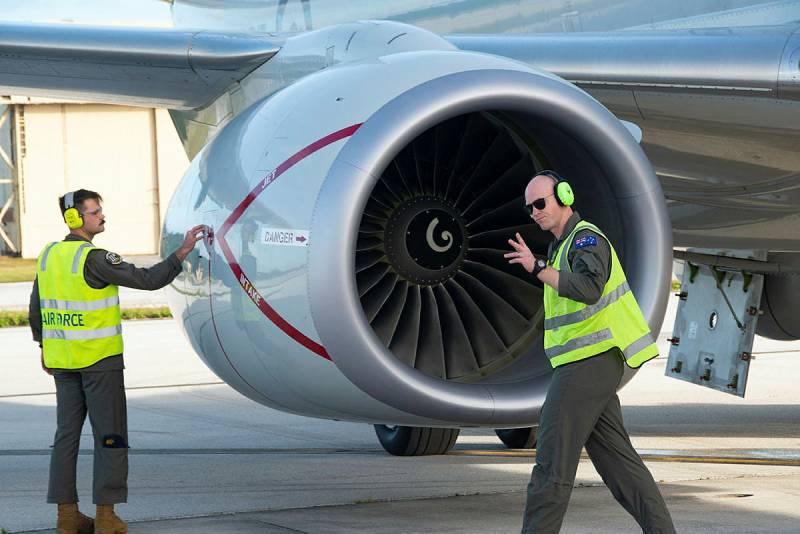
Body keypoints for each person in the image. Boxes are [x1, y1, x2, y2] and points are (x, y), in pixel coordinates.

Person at [505, 171, 675, 533]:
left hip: (588, 364)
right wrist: (542, 266)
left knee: (551, 464)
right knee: (621, 468)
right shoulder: (561, 247)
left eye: (541, 202)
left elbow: (588, 288)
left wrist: (537, 268)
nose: (534, 211)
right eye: (529, 207)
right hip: (589, 365)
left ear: (564, 196)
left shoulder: (585, 239)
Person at [28, 189, 204, 534]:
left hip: (63, 363)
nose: (101, 217)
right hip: (100, 362)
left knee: (66, 437)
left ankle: (67, 517)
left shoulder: (49, 256)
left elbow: (38, 307)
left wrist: (43, 347)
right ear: (75, 219)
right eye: (94, 212)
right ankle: (106, 518)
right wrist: (181, 253)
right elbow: (149, 280)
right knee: (110, 437)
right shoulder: (95, 258)